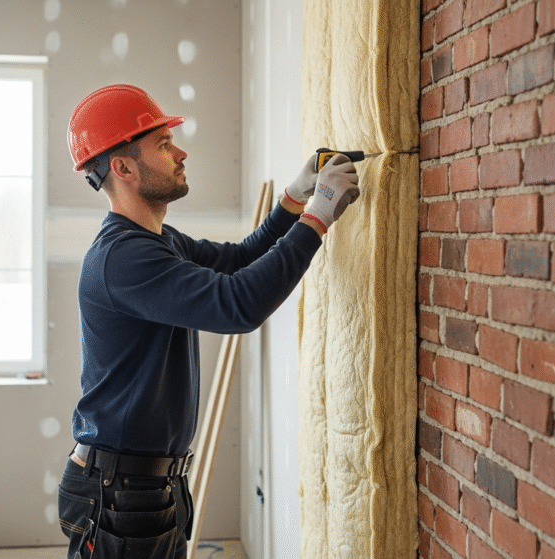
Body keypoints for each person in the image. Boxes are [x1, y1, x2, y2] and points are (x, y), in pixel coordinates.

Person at [57, 84, 360, 559]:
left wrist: (294, 199)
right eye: (162, 144)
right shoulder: (123, 259)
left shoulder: (157, 240)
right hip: (120, 493)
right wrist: (319, 217)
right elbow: (237, 304)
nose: (180, 152)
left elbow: (237, 260)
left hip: (148, 485)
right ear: (123, 167)